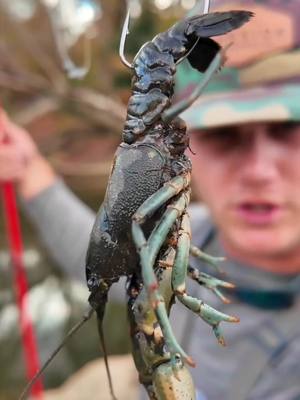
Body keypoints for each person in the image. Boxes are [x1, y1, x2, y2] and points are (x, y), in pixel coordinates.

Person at [1, 0, 300, 398]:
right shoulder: (196, 235)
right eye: (225, 135)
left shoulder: (165, 236)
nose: (259, 169)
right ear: (189, 133)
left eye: (287, 129)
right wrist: (30, 169)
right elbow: (104, 255)